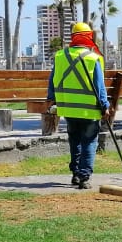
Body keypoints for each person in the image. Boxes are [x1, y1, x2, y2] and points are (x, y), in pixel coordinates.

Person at [49, 21, 109, 189]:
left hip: (68, 109)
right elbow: (99, 85)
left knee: (74, 140)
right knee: (89, 141)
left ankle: (75, 173)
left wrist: (51, 99)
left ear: (73, 37)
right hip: (89, 111)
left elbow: (52, 80)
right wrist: (105, 106)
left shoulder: (60, 56)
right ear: (89, 37)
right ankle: (84, 177)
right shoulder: (93, 58)